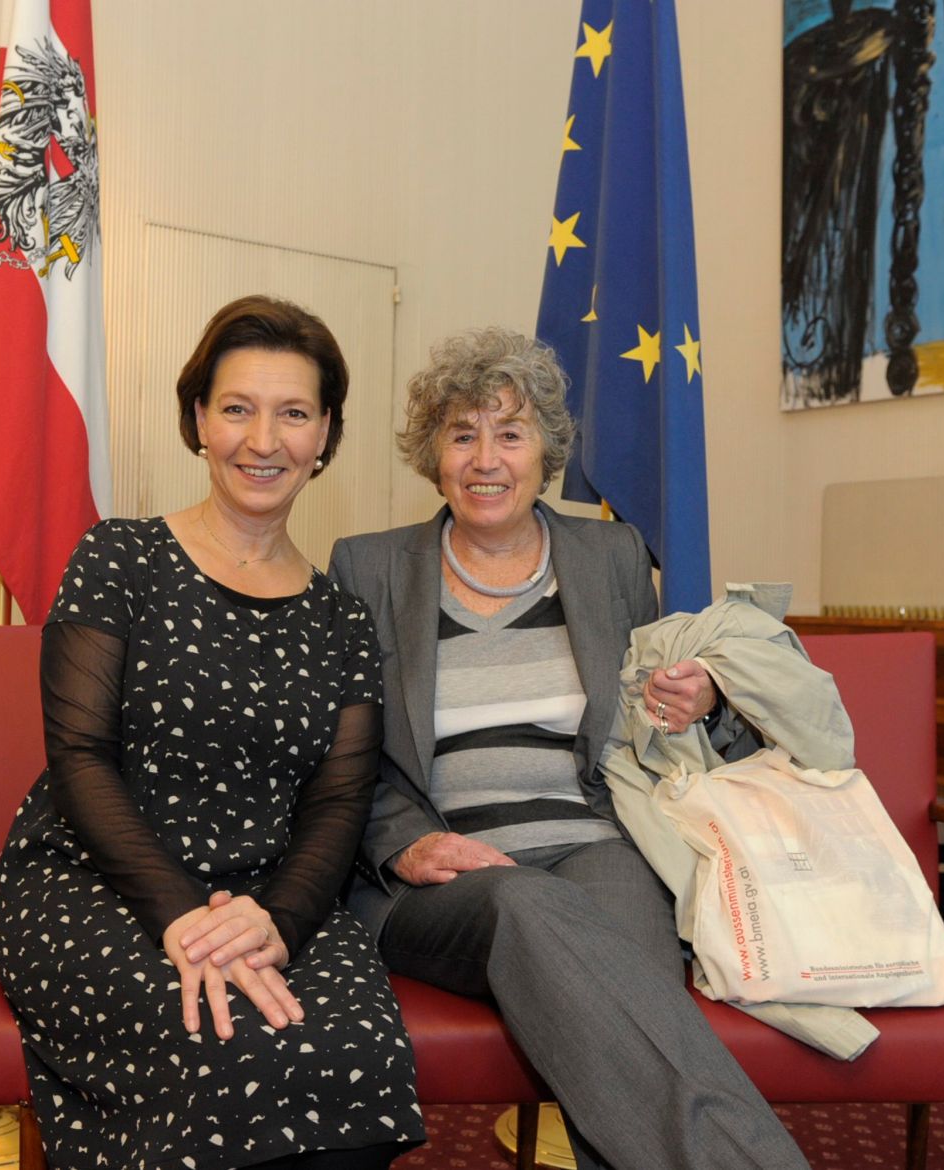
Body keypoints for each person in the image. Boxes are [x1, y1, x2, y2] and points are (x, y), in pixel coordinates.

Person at [327, 327, 810, 1170]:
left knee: (628, 952)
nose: (486, 458)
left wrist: (695, 700)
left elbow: (656, 736)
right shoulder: (368, 568)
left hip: (594, 841)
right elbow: (341, 754)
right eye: (462, 433)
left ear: (545, 451)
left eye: (510, 434)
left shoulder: (611, 555)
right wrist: (404, 845)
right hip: (448, 878)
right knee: (528, 905)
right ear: (432, 453)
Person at [0, 296, 426, 1170]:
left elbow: (340, 799)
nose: (263, 440)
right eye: (238, 408)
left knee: (355, 1056)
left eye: (293, 413)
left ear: (325, 433)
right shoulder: (118, 559)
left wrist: (281, 922)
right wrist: (182, 917)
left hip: (275, 896)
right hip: (101, 881)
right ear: (199, 418)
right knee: (228, 1044)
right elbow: (79, 757)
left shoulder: (342, 616)